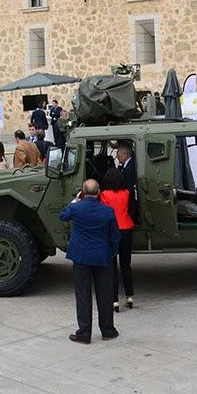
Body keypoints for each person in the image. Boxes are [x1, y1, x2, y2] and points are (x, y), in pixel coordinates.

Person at [59, 179, 120, 344]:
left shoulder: (76, 209)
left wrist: (75, 200)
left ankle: (84, 333)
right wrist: (112, 252)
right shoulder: (107, 211)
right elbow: (115, 236)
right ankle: (107, 330)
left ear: (83, 193)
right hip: (102, 256)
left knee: (83, 295)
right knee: (105, 294)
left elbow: (62, 215)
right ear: (99, 192)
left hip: (81, 257)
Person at [100, 167, 135, 312]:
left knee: (111, 267)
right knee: (126, 265)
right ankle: (129, 296)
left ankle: (114, 300)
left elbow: (103, 214)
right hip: (126, 228)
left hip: (112, 231)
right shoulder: (127, 193)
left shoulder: (104, 195)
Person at [116, 145, 138, 222]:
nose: (117, 157)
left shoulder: (130, 167)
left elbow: (129, 184)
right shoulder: (127, 165)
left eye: (118, 155)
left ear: (125, 155)